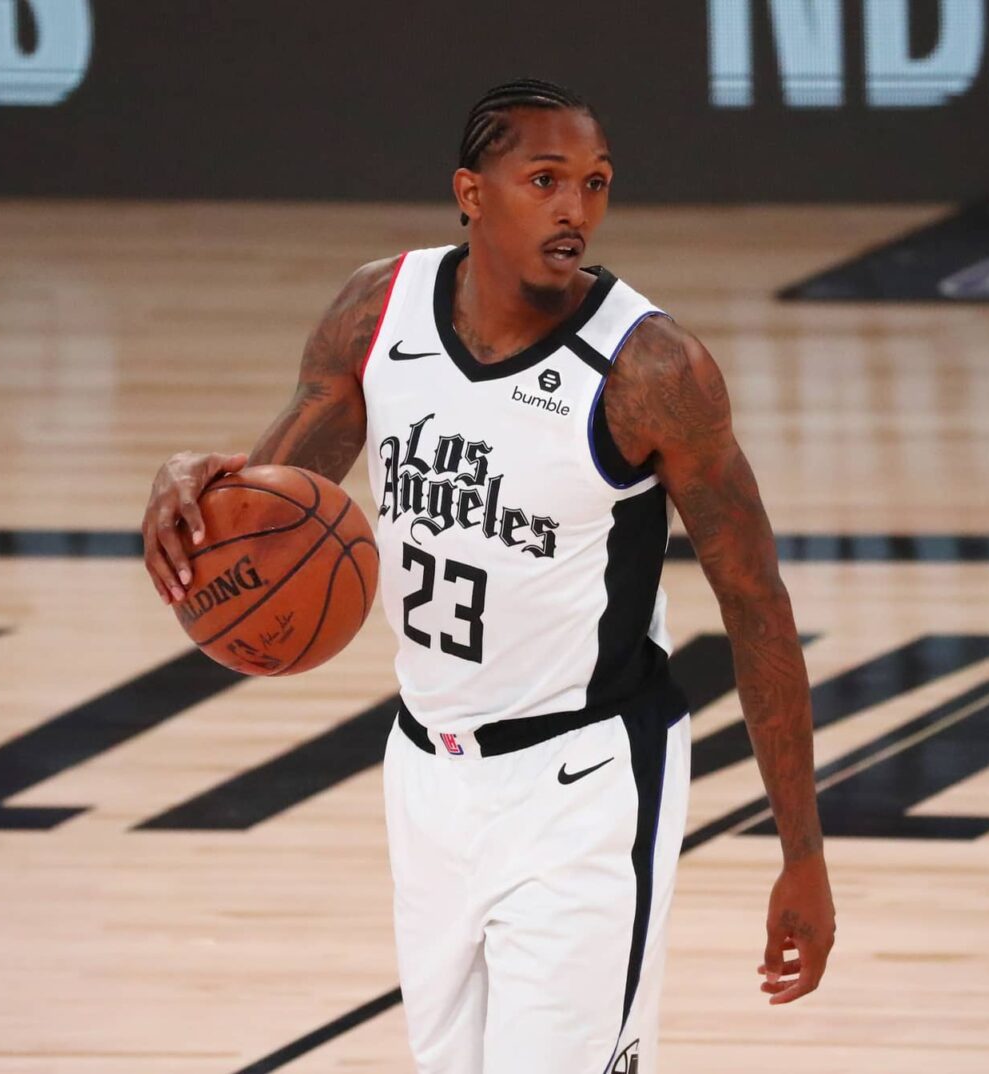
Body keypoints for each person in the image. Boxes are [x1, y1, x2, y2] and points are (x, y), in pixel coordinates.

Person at [142, 77, 834, 1074]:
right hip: (425, 773)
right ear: (471, 191)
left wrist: (802, 853)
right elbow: (271, 514)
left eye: (594, 183)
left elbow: (757, 605)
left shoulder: (651, 372)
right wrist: (187, 489)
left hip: (585, 785)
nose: (575, 208)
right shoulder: (376, 312)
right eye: (544, 179)